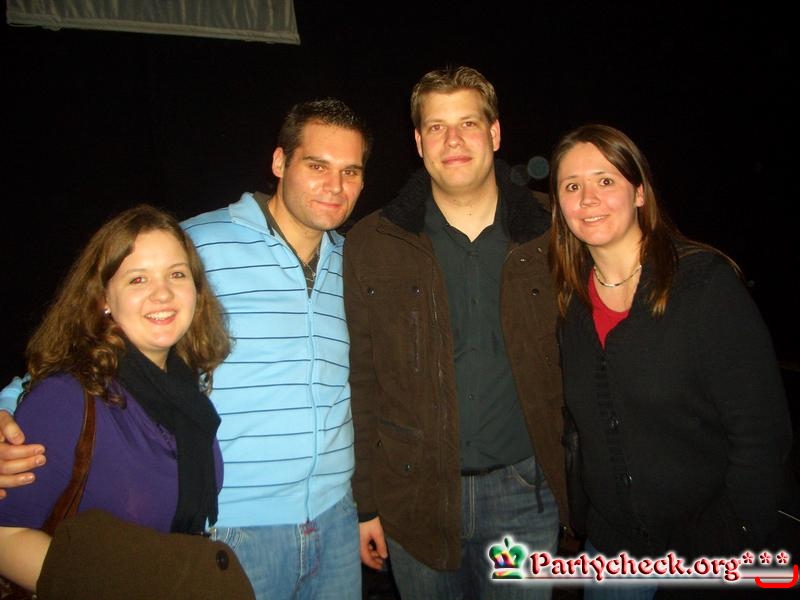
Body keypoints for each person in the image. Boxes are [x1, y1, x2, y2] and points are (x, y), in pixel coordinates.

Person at [0, 98, 372, 600]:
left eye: (351, 171)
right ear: (280, 162)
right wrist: (7, 413)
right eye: (317, 166)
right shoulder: (197, 246)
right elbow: (82, 350)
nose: (335, 185)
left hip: (336, 520)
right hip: (235, 529)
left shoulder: (358, 264)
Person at [343, 65, 568, 600]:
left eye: (468, 123)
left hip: (525, 494)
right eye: (437, 127)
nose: (453, 140)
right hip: (414, 497)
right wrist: (365, 504)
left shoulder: (555, 230)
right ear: (419, 142)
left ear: (495, 133)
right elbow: (361, 382)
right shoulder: (373, 243)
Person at [549, 123, 793, 599]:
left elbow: (762, 435)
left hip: (708, 552)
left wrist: (737, 533)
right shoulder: (569, 306)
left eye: (605, 180)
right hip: (613, 552)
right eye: (572, 186)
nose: (588, 198)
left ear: (639, 192)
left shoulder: (703, 287)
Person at [0, 204, 255, 598]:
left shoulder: (186, 391)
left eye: (177, 274)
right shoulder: (66, 397)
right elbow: (5, 534)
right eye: (138, 279)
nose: (163, 293)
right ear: (103, 297)